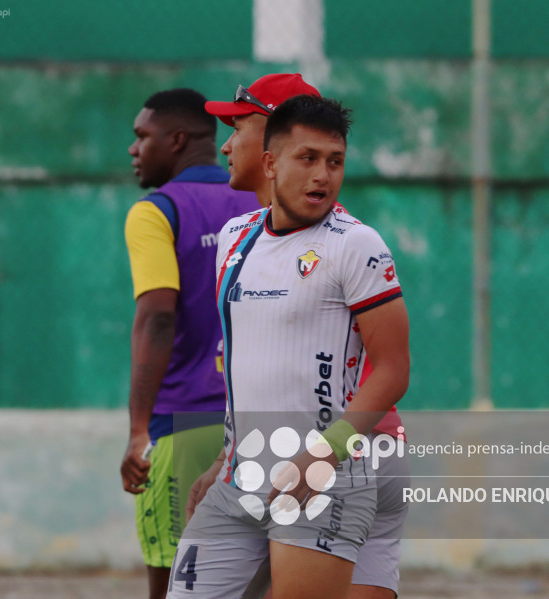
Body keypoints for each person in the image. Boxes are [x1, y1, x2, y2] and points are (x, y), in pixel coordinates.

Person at [167, 94, 410, 599]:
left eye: (335, 161)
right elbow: (247, 367)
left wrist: (323, 456)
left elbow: (392, 370)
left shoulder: (356, 245)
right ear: (271, 164)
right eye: (308, 159)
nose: (323, 175)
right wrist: (221, 461)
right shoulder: (235, 238)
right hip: (239, 478)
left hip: (326, 478)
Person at [120, 88, 261, 599]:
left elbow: (157, 316)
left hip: (182, 424)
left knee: (175, 582)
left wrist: (139, 431)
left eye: (142, 137)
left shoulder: (156, 211)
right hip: (259, 424)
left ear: (177, 140)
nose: (134, 149)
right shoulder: (262, 203)